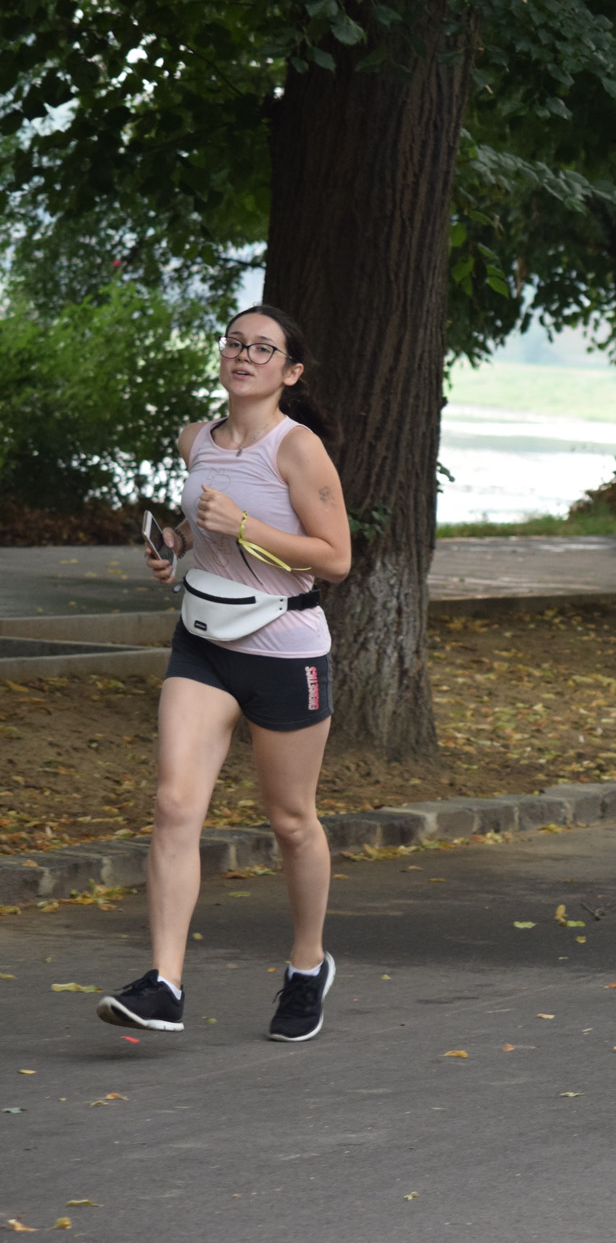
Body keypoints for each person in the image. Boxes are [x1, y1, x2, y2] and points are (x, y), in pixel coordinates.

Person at [96, 306, 352, 1043]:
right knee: (175, 804)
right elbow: (201, 535)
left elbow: (334, 557)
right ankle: (165, 983)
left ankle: (308, 964)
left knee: (291, 820)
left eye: (263, 349)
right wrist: (172, 544)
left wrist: (246, 528)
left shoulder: (297, 450)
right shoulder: (195, 441)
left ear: (290, 371)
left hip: (285, 649)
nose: (244, 356)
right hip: (202, 641)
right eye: (236, 343)